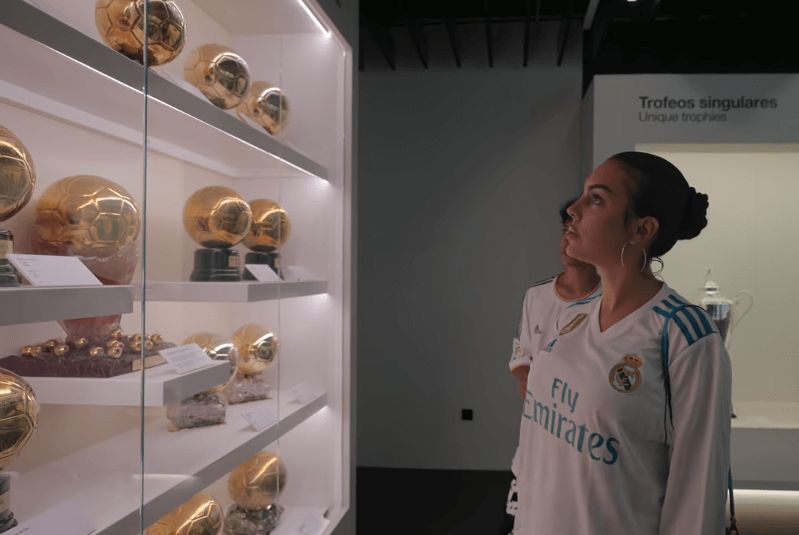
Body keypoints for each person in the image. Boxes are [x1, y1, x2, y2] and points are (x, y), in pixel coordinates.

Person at [513, 152, 732, 534]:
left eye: (596, 199)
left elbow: (697, 491)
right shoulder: (569, 317)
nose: (573, 211)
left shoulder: (683, 335)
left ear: (641, 230)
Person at [500, 199, 600, 534]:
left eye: (575, 229)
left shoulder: (612, 303)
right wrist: (533, 380)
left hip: (586, 449)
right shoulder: (537, 296)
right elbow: (521, 357)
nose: (566, 239)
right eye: (564, 230)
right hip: (537, 438)